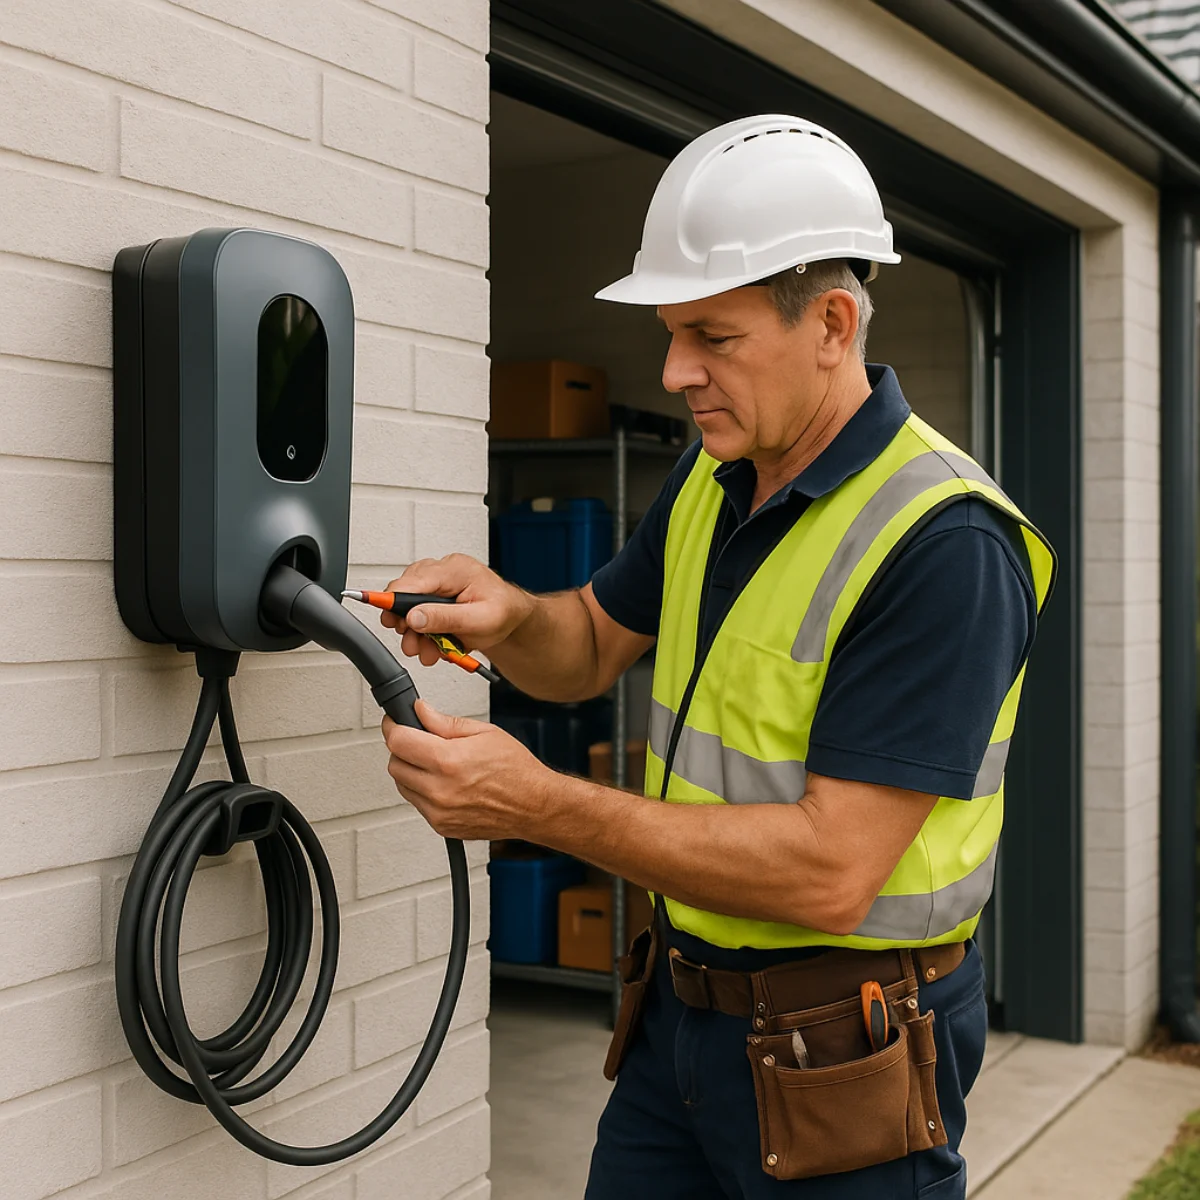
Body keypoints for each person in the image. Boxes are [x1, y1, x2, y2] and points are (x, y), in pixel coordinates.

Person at [377, 114, 1055, 1199]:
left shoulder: (945, 543)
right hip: (680, 1022)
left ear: (832, 323)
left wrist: (538, 805)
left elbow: (833, 872)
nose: (675, 369)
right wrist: (510, 615)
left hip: (849, 1054)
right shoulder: (716, 471)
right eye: (669, 332)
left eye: (713, 336)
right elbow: (591, 644)